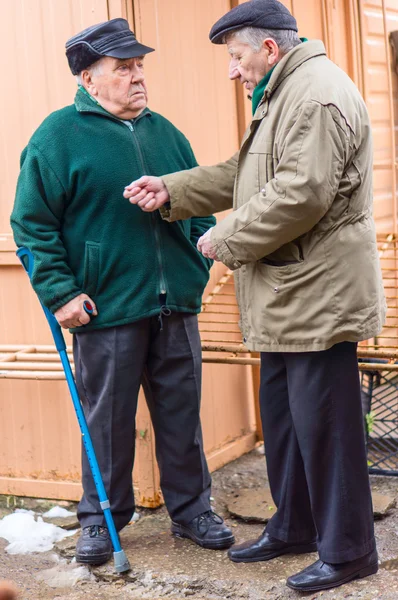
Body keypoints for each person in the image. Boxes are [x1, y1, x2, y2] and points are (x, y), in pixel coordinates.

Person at [124, 0, 386, 592]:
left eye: (237, 55)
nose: (232, 69)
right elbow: (248, 175)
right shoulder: (284, 91)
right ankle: (295, 526)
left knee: (326, 428)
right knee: (287, 423)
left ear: (268, 49)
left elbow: (302, 193)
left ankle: (348, 551)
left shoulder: (314, 95)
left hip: (314, 294)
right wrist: (172, 189)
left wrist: (226, 236)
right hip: (287, 293)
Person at [11, 18, 234, 567]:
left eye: (139, 66)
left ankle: (192, 510)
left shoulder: (167, 133)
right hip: (104, 308)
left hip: (174, 304)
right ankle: (101, 516)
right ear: (89, 77)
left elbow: (199, 204)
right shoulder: (58, 136)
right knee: (107, 419)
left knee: (182, 414)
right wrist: (61, 294)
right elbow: (31, 225)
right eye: (123, 68)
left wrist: (195, 267)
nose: (137, 77)